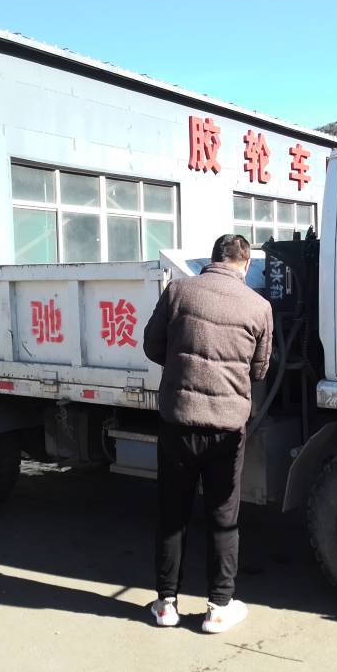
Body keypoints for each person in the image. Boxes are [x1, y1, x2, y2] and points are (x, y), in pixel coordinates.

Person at [142, 234, 273, 633]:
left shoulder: (178, 291)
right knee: (223, 516)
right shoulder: (259, 306)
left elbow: (152, 345)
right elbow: (260, 369)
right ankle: (218, 607)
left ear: (212, 259)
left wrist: (181, 365)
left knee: (173, 512)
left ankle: (166, 605)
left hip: (178, 421)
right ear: (245, 264)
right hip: (227, 429)